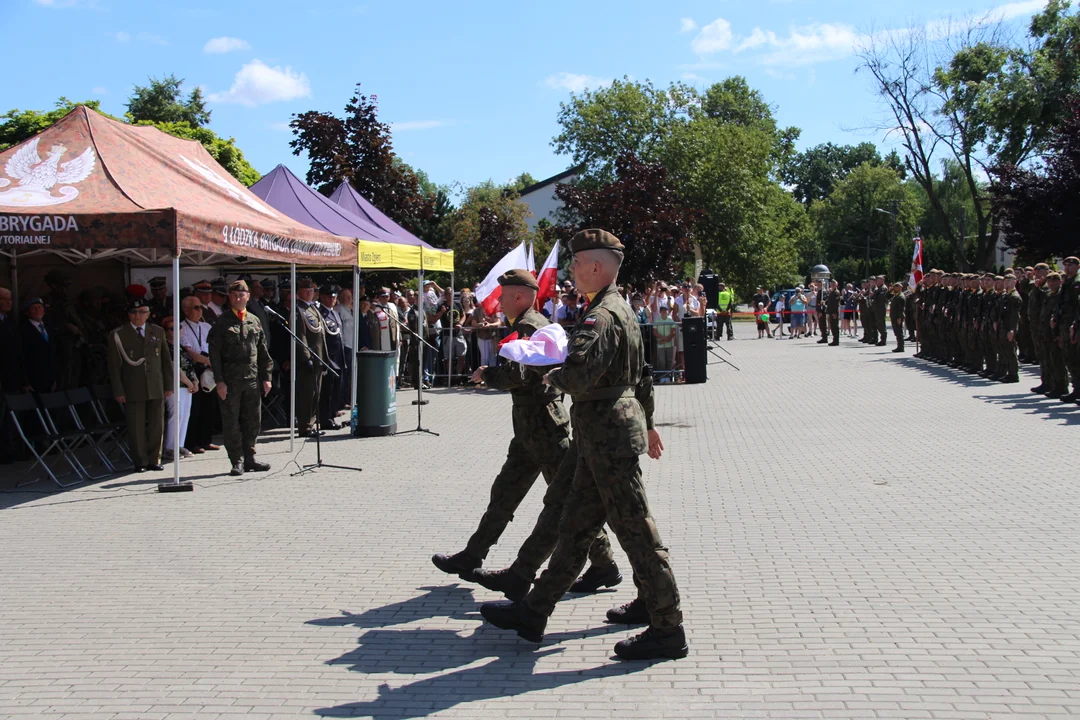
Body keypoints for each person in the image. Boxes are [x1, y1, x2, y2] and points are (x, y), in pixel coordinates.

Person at [480, 228, 687, 662]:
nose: (571, 271)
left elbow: (577, 375)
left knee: (636, 532)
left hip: (608, 434)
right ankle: (534, 612)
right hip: (604, 433)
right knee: (574, 527)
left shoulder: (602, 316)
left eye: (576, 264)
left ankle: (667, 626)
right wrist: (647, 422)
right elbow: (642, 374)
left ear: (596, 266)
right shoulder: (620, 309)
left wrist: (539, 364)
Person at [433, 269, 617, 593]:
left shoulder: (530, 326)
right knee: (504, 492)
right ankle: (472, 555)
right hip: (530, 429)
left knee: (567, 499)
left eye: (503, 296)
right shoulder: (530, 323)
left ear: (518, 296)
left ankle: (604, 564)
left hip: (544, 428)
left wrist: (487, 374)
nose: (500, 302)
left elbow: (519, 375)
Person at [207, 280, 273, 477]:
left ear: (248, 297)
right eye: (234, 295)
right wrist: (219, 381)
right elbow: (214, 355)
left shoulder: (254, 320)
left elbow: (263, 351)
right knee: (231, 422)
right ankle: (237, 460)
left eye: (241, 295)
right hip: (230, 381)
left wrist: (266, 377)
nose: (238, 298)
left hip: (252, 379)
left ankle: (250, 457)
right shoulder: (222, 322)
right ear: (229, 298)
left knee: (253, 420)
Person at [106, 297, 172, 472]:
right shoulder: (119, 334)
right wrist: (118, 390)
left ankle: (154, 459)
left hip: (155, 385)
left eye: (142, 312)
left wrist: (169, 385)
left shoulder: (157, 331)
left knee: (157, 424)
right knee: (136, 426)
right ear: (129, 314)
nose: (138, 316)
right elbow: (114, 366)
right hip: (133, 386)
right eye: (134, 312)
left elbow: (166, 360)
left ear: (148, 314)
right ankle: (140, 461)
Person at [179, 295, 217, 455]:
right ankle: (192, 442)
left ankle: (206, 440)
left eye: (201, 307)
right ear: (186, 310)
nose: (200, 310)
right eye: (196, 307)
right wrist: (208, 361)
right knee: (195, 408)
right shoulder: (182, 327)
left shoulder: (206, 326)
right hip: (194, 368)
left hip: (209, 368)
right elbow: (189, 351)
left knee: (209, 406)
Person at [294, 278, 329, 437]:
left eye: (312, 291)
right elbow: (300, 335)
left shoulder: (313, 308)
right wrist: (306, 357)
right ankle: (305, 427)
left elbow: (321, 333)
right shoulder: (298, 309)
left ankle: (312, 424)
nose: (309, 293)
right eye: (306, 291)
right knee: (307, 395)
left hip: (318, 357)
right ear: (299, 292)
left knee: (316, 393)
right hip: (308, 359)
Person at [160, 316, 197, 460]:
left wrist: (195, 380)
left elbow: (189, 364)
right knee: (175, 415)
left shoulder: (180, 346)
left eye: (179, 327)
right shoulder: (167, 347)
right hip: (175, 385)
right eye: (172, 329)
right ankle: (170, 447)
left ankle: (179, 444)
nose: (177, 331)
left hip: (187, 386)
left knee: (185, 415)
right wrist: (189, 382)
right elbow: (174, 368)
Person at [318, 284, 346, 428]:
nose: (332, 299)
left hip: (338, 357)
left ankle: (332, 414)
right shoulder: (320, 313)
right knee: (327, 391)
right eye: (329, 296)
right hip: (329, 358)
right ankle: (325, 419)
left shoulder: (334, 312)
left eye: (334, 296)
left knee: (336, 389)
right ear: (322, 297)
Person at [1055, 256, 1080, 402]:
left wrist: (1075, 325)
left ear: (1077, 266)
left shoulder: (1077, 282)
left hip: (1074, 326)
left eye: (1070, 265)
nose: (1067, 267)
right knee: (1070, 359)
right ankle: (1076, 389)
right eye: (1065, 265)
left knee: (1076, 359)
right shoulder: (1068, 282)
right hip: (1065, 325)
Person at [19, 297, 57, 394]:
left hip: (49, 380)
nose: (37, 310)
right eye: (34, 308)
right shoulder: (23, 330)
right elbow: (21, 357)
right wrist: (25, 382)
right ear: (27, 312)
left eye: (40, 307)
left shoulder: (48, 328)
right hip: (34, 380)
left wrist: (54, 378)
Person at [653, 304, 676, 381]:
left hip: (669, 344)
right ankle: (662, 377)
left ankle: (668, 376)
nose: (664, 312)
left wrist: (666, 339)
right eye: (662, 311)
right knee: (661, 361)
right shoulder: (657, 320)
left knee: (669, 360)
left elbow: (673, 332)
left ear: (668, 312)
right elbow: (655, 332)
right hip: (660, 345)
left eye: (665, 311)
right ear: (660, 312)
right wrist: (664, 339)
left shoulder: (671, 321)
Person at [889, 282, 907, 352]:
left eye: (896, 287)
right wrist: (890, 290)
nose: (894, 288)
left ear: (900, 288)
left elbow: (901, 309)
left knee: (899, 332)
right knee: (896, 332)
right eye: (894, 287)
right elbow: (887, 296)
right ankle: (899, 346)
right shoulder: (896, 295)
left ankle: (901, 347)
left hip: (898, 316)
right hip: (894, 316)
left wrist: (899, 318)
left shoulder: (901, 297)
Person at [824, 280, 841, 346]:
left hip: (834, 312)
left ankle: (836, 340)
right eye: (831, 284)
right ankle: (835, 340)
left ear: (836, 285)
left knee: (835, 327)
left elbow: (836, 304)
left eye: (834, 284)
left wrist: (835, 313)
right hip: (831, 311)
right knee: (833, 326)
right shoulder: (832, 292)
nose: (832, 285)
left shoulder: (836, 292)